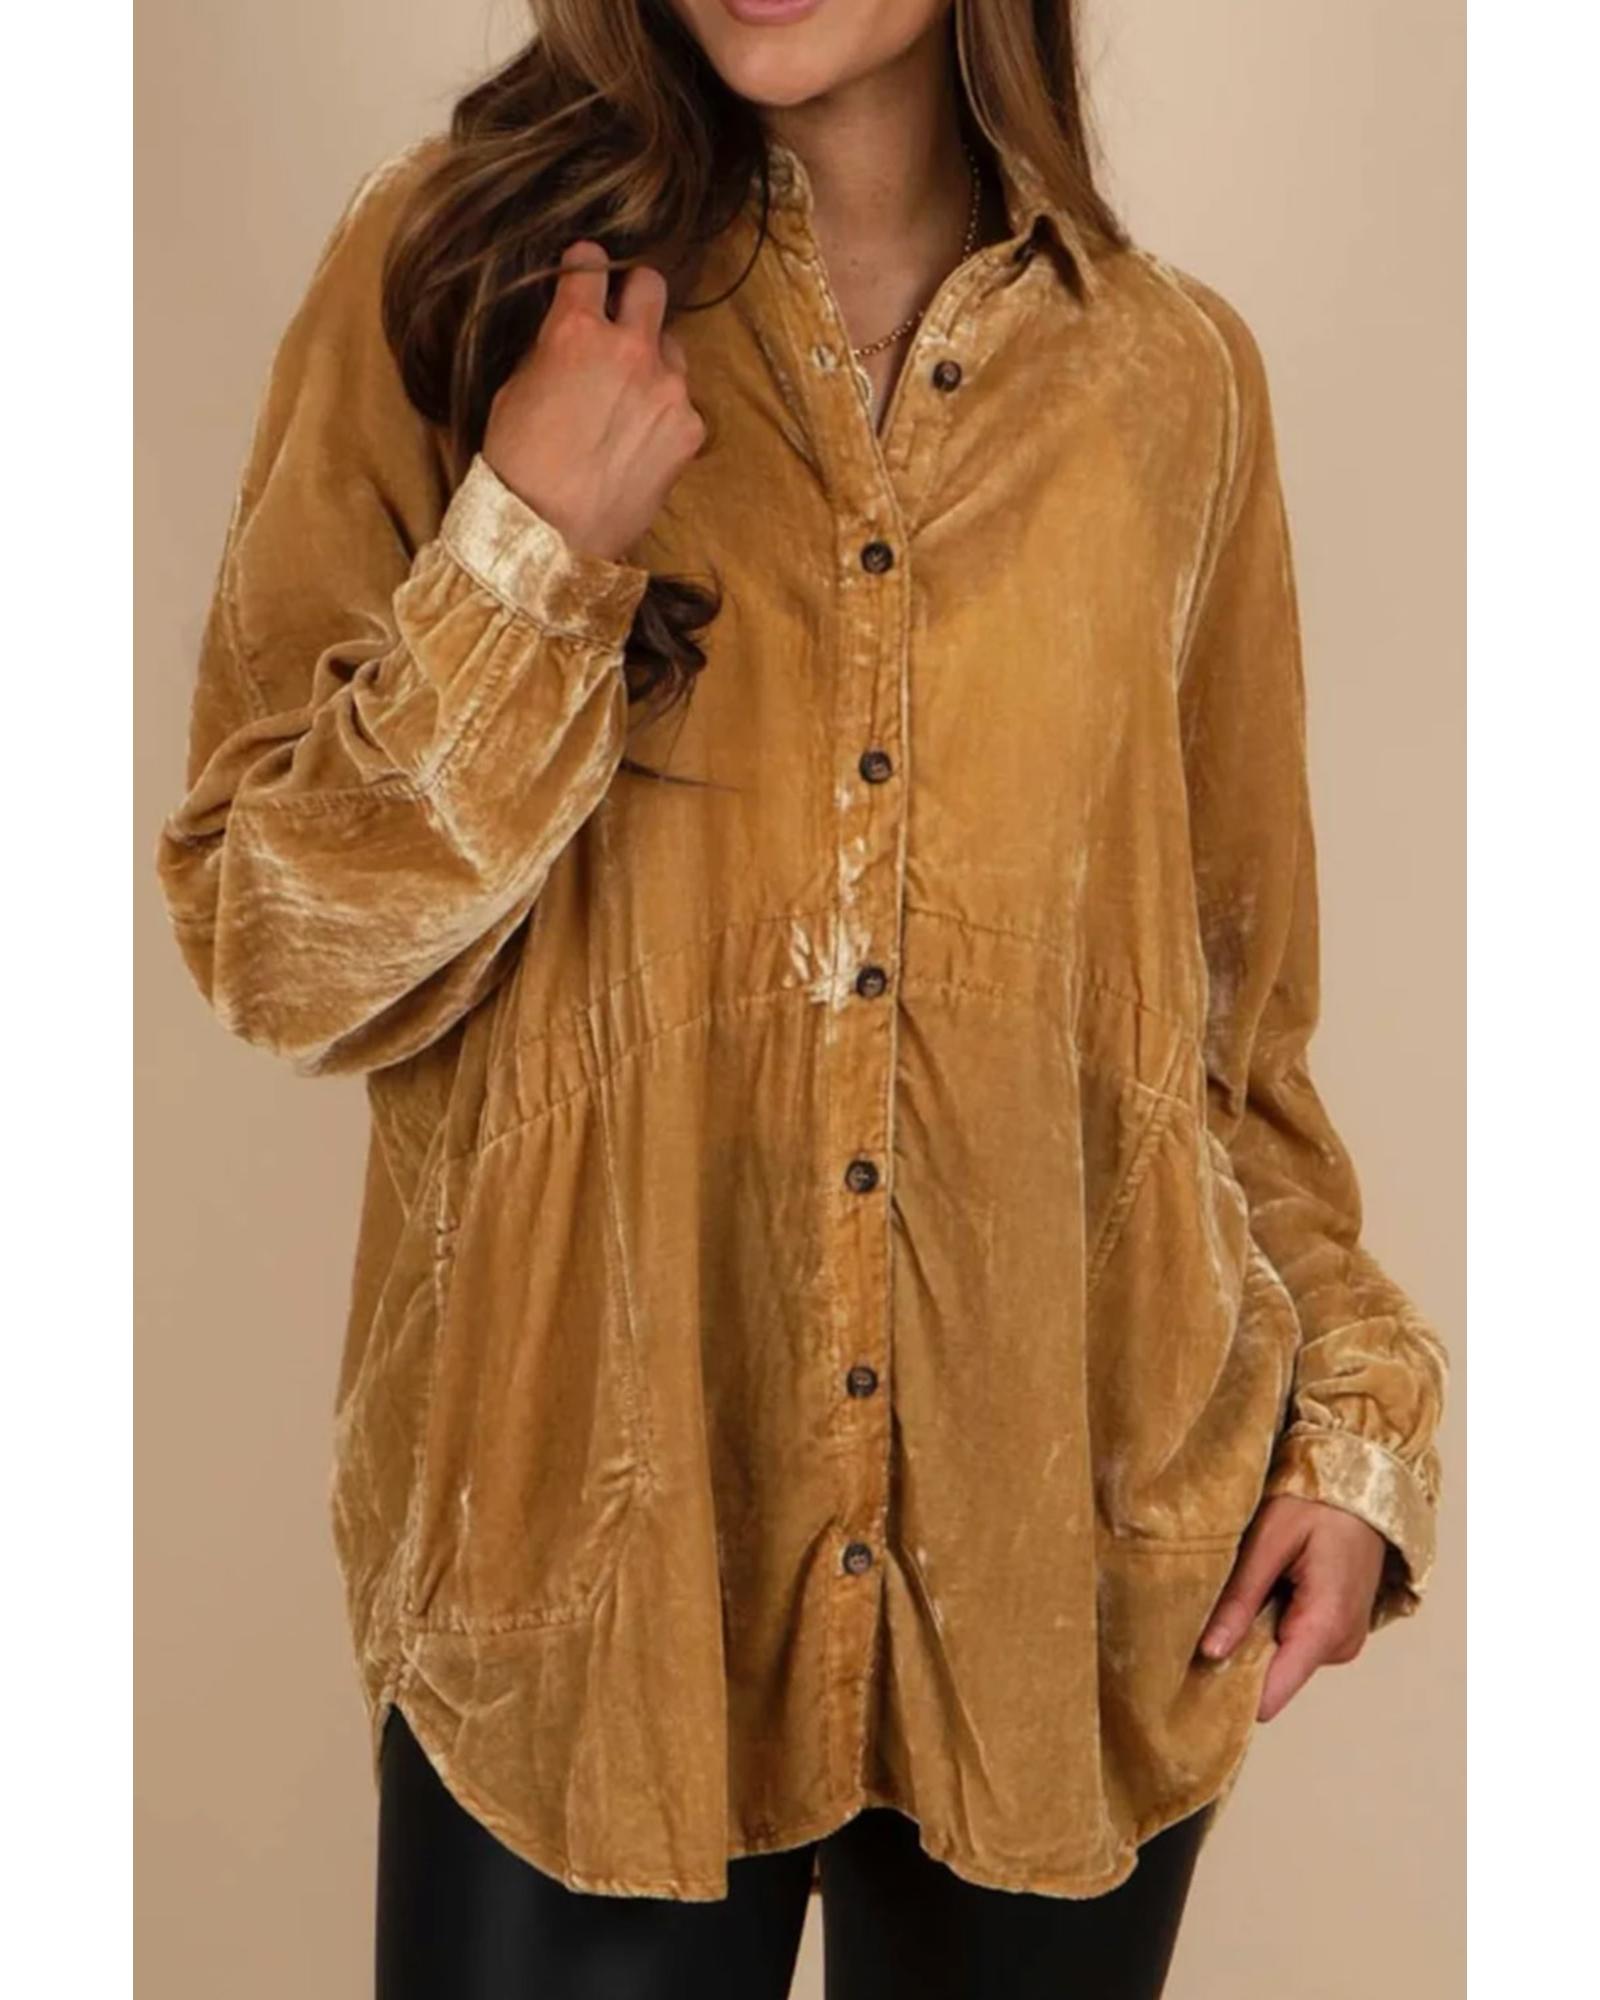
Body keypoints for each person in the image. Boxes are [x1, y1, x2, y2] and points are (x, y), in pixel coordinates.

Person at [152, 1, 1450, 1995]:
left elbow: (1223, 1036)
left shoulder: (1172, 383)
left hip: (1064, 1595)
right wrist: (530, 548)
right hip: (585, 1609)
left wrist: (1354, 1430)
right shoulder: (459, 278)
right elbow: (271, 940)